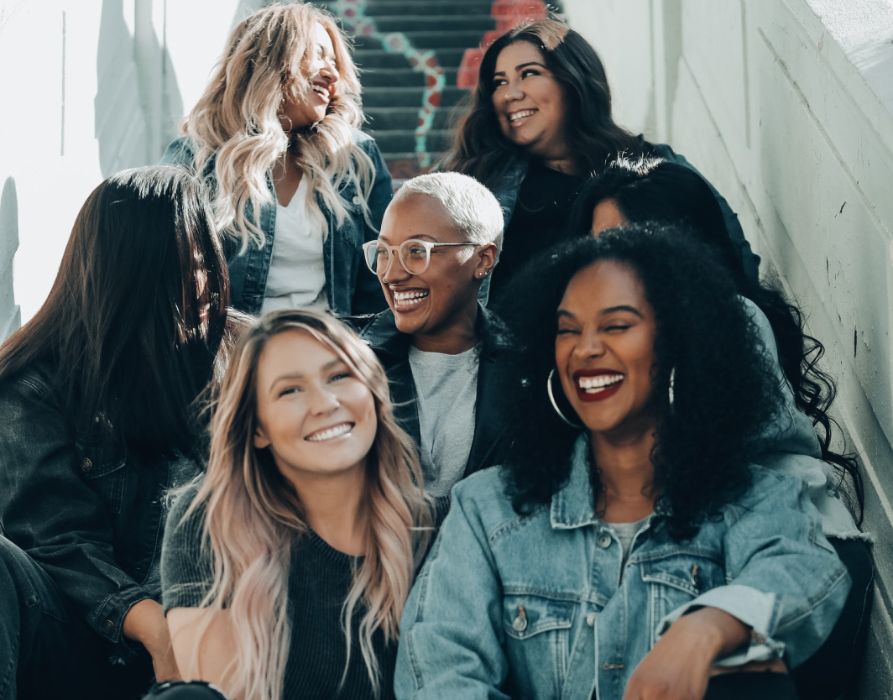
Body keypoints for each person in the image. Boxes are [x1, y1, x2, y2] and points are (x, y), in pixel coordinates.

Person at [395, 228, 849, 700]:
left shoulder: (754, 500)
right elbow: (440, 672)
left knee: (755, 676)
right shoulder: (488, 509)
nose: (585, 348)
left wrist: (710, 626)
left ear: (679, 345)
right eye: (568, 329)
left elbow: (805, 570)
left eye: (616, 326)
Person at [566, 155, 872, 699]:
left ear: (686, 241)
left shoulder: (725, 315)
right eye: (598, 245)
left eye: (628, 241)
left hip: (793, 556)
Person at [0, 166, 229, 699]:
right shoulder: (32, 385)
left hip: (212, 628)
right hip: (75, 636)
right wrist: (152, 625)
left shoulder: (236, 356)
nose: (204, 285)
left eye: (206, 264)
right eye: (185, 267)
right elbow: (57, 540)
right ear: (129, 275)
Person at [158, 310, 431, 700]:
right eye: (290, 390)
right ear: (256, 430)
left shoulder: (438, 530)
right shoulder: (208, 523)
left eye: (340, 376)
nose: (324, 403)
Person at [442, 18, 759, 300]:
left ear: (572, 80)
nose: (511, 93)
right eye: (499, 82)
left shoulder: (655, 170)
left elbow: (728, 262)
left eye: (529, 74)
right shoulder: (476, 186)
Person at [163, 2, 392, 316]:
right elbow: (169, 277)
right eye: (319, 54)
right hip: (235, 356)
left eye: (335, 61)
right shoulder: (195, 157)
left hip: (330, 353)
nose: (333, 73)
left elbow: (380, 284)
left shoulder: (355, 157)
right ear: (271, 60)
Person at [350, 172, 514, 510]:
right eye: (384, 252)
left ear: (482, 259)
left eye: (416, 251)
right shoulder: (345, 359)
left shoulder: (527, 371)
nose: (392, 274)